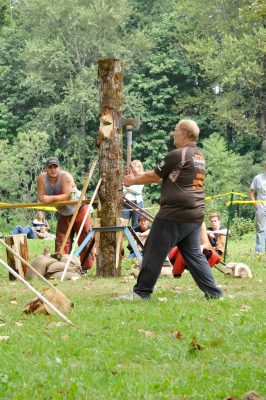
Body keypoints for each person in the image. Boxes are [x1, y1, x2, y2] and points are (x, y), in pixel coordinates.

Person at [118, 119, 223, 300]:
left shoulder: (178, 154)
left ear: (183, 133)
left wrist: (132, 181)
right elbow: (168, 178)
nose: (173, 133)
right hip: (194, 213)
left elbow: (154, 175)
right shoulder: (198, 155)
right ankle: (214, 294)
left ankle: (141, 292)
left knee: (152, 250)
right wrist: (140, 176)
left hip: (175, 213)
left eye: (175, 130)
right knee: (194, 255)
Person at [37, 157, 95, 271]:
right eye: (50, 167)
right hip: (63, 211)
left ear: (59, 167)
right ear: (46, 168)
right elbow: (41, 197)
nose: (53, 169)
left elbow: (67, 195)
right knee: (61, 240)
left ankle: (86, 267)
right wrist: (48, 199)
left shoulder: (66, 177)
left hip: (80, 209)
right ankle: (63, 266)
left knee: (84, 238)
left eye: (55, 167)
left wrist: (50, 199)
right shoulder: (41, 178)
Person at [249, 161, 266, 255]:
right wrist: (255, 204)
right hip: (261, 208)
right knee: (261, 229)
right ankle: (259, 252)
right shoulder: (258, 178)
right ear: (265, 166)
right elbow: (251, 191)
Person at [122, 160, 145, 227]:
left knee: (136, 225)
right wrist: (127, 188)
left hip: (137, 203)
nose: (134, 168)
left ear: (139, 167)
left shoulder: (142, 177)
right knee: (123, 224)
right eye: (132, 166)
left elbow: (137, 191)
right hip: (126, 202)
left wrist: (127, 188)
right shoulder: (127, 177)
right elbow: (122, 190)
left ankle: (137, 237)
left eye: (136, 166)